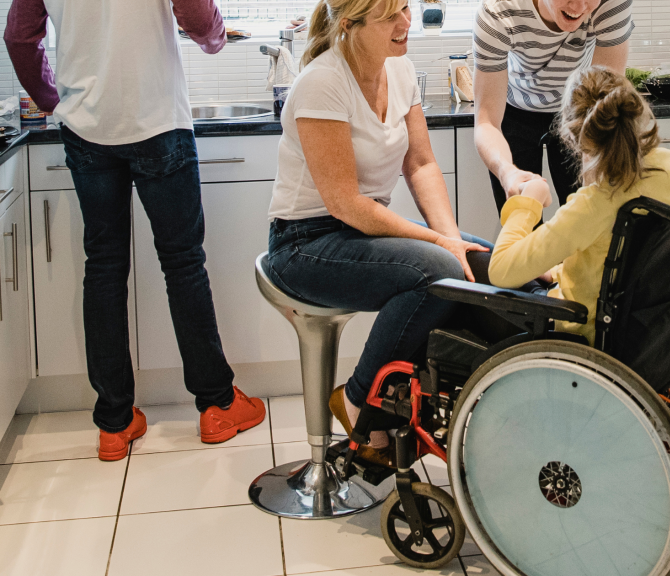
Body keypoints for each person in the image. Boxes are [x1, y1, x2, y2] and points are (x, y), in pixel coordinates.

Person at [4, 0, 266, 461]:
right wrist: (214, 37)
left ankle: (115, 423)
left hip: (86, 127)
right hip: (158, 120)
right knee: (183, 264)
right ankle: (218, 406)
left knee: (102, 269)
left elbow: (20, 37)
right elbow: (201, 20)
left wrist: (52, 99)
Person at [266, 0, 489, 461]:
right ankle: (359, 400)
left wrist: (453, 239)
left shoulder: (401, 70)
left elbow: (422, 163)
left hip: (359, 233)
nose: (406, 22)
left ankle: (422, 405)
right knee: (434, 270)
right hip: (304, 244)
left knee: (481, 264)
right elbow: (345, 202)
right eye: (391, 16)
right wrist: (439, 245)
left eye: (406, 7)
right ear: (350, 24)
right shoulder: (323, 83)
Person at [487, 66, 670, 344]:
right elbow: (622, 258)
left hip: (584, 329)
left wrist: (528, 203)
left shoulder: (594, 204)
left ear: (572, 137)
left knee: (472, 263)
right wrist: (558, 272)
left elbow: (500, 270)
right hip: (647, 327)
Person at [473, 0, 633, 213]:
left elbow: (603, 102)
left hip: (580, 109)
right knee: (521, 219)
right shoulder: (497, 12)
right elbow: (487, 122)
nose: (577, 8)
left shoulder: (612, 2)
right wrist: (507, 173)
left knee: (585, 218)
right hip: (516, 109)